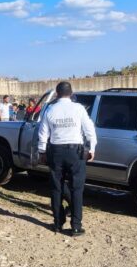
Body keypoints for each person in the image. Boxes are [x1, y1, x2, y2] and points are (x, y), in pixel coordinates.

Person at [38, 82, 96, 236]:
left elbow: (43, 133)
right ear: (71, 93)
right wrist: (92, 149)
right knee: (77, 189)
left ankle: (57, 224)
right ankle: (76, 226)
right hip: (75, 153)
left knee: (56, 189)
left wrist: (42, 152)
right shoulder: (78, 108)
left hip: (55, 152)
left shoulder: (50, 109)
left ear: (57, 93)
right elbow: (89, 129)